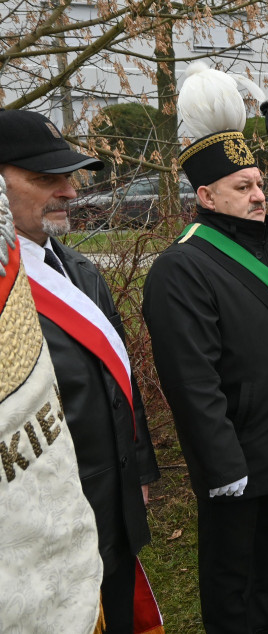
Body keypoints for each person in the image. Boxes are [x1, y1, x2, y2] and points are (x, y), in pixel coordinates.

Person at [142, 64, 268, 634]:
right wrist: (220, 464)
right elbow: (191, 379)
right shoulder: (181, 268)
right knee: (232, 566)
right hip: (240, 449)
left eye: (257, 183)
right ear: (205, 195)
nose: (257, 195)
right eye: (242, 187)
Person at [0, 108, 159, 632]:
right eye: (46, 178)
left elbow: (122, 380)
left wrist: (137, 470)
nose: (69, 190)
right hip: (41, 526)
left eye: (68, 176)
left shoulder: (81, 270)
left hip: (109, 504)